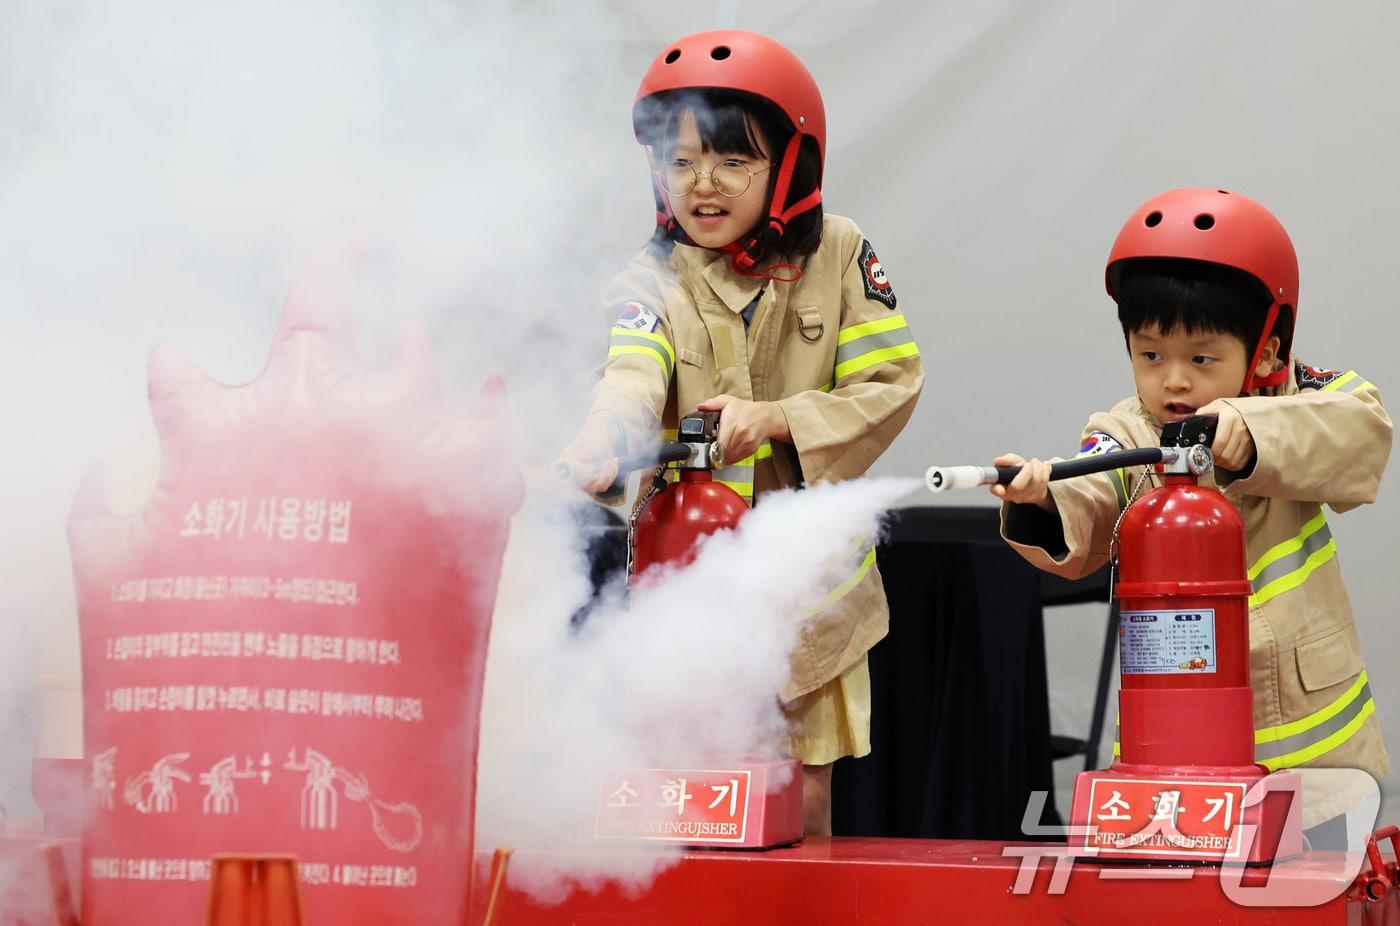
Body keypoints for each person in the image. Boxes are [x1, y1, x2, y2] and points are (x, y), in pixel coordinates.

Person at [559, 30, 924, 834]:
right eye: (680, 161)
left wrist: (783, 419)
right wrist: (602, 435)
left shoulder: (840, 253)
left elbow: (890, 382)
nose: (703, 184)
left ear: (790, 166)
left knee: (803, 800)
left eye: (732, 161)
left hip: (811, 595)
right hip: (683, 589)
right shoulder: (648, 277)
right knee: (682, 800)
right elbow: (631, 371)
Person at [993, 187, 1390, 832]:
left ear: (1265, 349)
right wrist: (1043, 499)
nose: (1172, 380)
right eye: (1151, 355)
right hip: (1177, 746)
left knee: (1310, 896)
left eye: (1202, 358)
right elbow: (1091, 501)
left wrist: (1250, 427)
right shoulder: (1124, 431)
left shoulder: (1307, 395)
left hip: (1315, 754)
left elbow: (1360, 432)